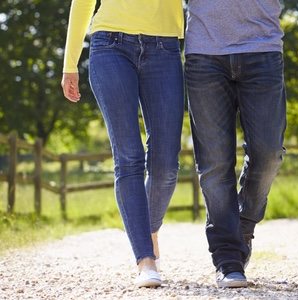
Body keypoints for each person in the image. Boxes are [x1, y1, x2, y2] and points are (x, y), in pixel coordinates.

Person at [184, 0, 298, 288]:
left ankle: (243, 226)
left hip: (263, 52)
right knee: (214, 163)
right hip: (204, 55)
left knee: (269, 152)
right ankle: (228, 258)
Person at [60, 0, 185, 288]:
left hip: (165, 48)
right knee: (129, 156)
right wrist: (70, 64)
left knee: (166, 165)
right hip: (110, 45)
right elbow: (82, 2)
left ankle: (149, 227)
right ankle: (145, 259)